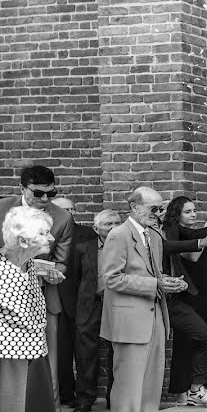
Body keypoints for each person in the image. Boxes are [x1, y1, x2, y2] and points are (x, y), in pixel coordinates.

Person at [100, 187, 187, 412]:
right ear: (134, 207)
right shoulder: (118, 234)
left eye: (160, 208)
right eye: (153, 208)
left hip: (155, 315)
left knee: (152, 383)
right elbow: (111, 279)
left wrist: (171, 282)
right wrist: (155, 284)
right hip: (128, 320)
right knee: (128, 385)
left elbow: (153, 275)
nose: (158, 213)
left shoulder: (155, 235)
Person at [0, 165, 73, 412]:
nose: (44, 199)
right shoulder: (2, 207)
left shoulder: (62, 218)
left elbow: (61, 262)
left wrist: (49, 271)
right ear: (22, 188)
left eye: (50, 194)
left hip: (40, 298)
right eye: (38, 193)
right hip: (11, 335)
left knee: (42, 370)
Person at [164, 197, 207, 406]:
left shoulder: (204, 235)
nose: (193, 214)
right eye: (187, 212)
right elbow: (192, 257)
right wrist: (206, 233)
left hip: (205, 295)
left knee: (204, 341)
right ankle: (182, 394)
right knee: (185, 344)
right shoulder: (180, 236)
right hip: (186, 296)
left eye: (194, 211)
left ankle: (200, 387)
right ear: (178, 215)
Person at [0, 206, 56, 412]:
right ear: (23, 241)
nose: (50, 238)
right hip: (9, 356)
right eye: (43, 233)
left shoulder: (28, 263)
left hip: (35, 350)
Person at [70, 209, 120, 412]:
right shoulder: (82, 248)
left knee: (116, 352)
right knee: (85, 354)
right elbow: (75, 278)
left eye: (117, 223)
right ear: (96, 228)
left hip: (116, 305)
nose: (114, 227)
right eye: (109, 224)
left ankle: (115, 397)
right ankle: (85, 399)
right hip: (90, 305)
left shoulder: (126, 246)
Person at [51, 196, 96, 408]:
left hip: (85, 302)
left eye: (72, 209)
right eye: (64, 209)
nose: (69, 213)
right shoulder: (46, 234)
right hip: (56, 302)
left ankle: (85, 397)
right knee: (60, 353)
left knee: (86, 353)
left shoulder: (87, 234)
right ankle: (65, 395)